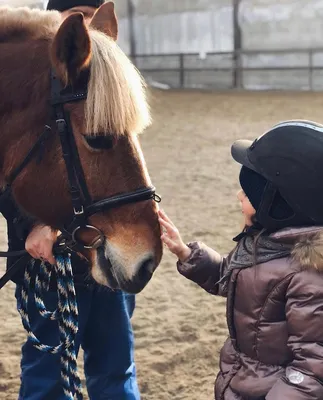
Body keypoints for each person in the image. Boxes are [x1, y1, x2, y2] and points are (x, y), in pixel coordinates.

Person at [0, 1, 140, 399]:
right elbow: (12, 160)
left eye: (96, 19)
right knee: (48, 368)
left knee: (116, 361)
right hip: (46, 259)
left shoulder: (101, 81)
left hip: (101, 241)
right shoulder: (31, 81)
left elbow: (120, 162)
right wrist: (35, 225)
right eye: (79, 19)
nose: (88, 31)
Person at [159, 120, 323, 399]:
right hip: (246, 380)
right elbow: (238, 280)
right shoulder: (268, 243)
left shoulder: (309, 277)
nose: (239, 196)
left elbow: (312, 371)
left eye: (247, 193)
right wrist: (186, 254)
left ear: (277, 205)